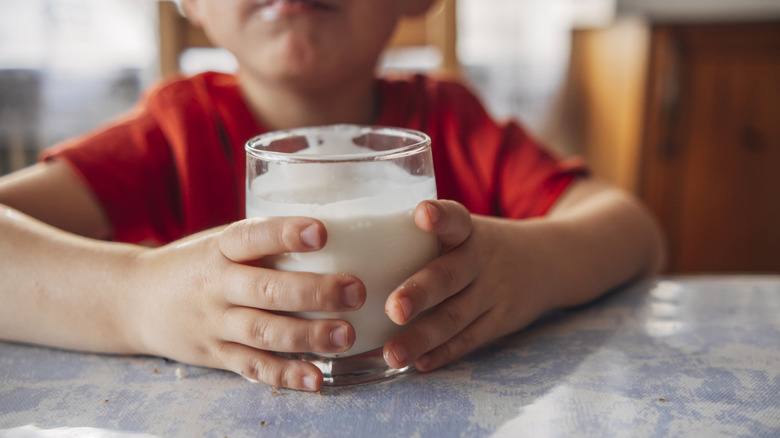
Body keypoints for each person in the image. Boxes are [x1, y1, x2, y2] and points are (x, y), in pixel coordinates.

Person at [0, 0, 665, 392]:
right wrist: (136, 298)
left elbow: (633, 231)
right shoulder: (166, 142)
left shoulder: (453, 125)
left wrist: (534, 266)